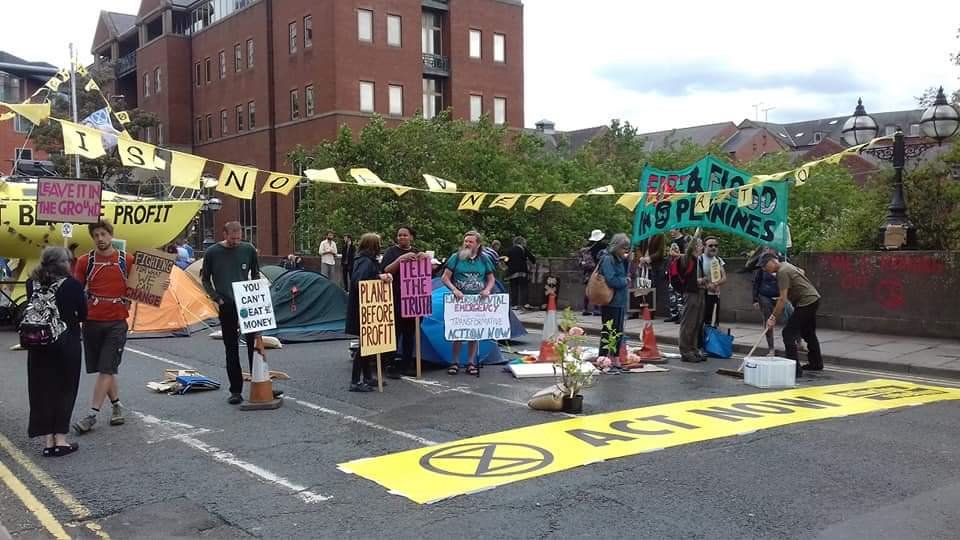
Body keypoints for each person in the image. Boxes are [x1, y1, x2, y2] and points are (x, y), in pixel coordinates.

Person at [72, 221, 134, 434]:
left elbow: (142, 288)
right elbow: (76, 290)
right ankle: (117, 405)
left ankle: (92, 414)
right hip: (91, 323)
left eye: (103, 234)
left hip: (117, 322)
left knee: (107, 367)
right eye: (96, 235)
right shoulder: (84, 261)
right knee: (105, 368)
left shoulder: (127, 260)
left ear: (111, 235)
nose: (100, 238)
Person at [25, 247, 86, 457]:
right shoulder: (72, 285)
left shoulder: (31, 283)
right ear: (64, 263)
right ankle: (61, 440)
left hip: (38, 344)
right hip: (65, 343)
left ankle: (48, 441)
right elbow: (83, 314)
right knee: (65, 390)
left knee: (42, 391)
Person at [202, 221, 269, 405]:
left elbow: (255, 273)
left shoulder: (248, 249)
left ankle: (260, 383)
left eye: (239, 238)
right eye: (232, 239)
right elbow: (205, 279)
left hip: (246, 302)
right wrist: (217, 298)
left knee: (254, 344)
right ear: (224, 235)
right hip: (227, 304)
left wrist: (257, 293)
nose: (236, 242)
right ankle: (235, 390)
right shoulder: (212, 253)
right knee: (231, 347)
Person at [442, 231, 495, 376]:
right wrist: (454, 289)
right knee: (458, 332)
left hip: (477, 301)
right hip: (460, 300)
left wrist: (487, 290)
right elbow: (445, 277)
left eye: (471, 242)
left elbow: (491, 278)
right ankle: (455, 362)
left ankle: (471, 362)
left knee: (473, 333)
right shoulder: (456, 258)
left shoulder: (484, 260)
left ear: (478, 244)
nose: (467, 244)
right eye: (466, 241)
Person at [344, 233, 393, 392]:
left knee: (369, 343)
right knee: (365, 345)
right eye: (378, 243)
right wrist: (380, 277)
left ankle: (366, 377)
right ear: (373, 245)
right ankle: (355, 381)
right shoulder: (365, 261)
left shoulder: (364, 260)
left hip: (366, 307)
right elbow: (360, 282)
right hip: (363, 308)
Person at [762, 253, 823, 376]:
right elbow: (802, 271)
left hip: (805, 302)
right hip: (813, 299)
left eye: (765, 265)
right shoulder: (787, 265)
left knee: (788, 333)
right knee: (808, 332)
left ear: (773, 261)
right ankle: (816, 363)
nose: (764, 269)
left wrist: (772, 318)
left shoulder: (782, 272)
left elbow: (782, 299)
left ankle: (794, 370)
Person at [380, 226, 425, 379]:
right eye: (399, 235)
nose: (402, 238)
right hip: (395, 297)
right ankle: (390, 364)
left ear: (411, 237)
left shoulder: (417, 251)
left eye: (405, 235)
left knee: (409, 334)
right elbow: (385, 270)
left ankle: (407, 364)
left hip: (413, 300)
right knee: (394, 332)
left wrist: (426, 260)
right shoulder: (391, 252)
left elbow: (426, 273)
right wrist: (400, 260)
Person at [597, 233, 631, 368]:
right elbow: (611, 279)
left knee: (618, 330)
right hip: (610, 299)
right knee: (609, 329)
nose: (625, 251)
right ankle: (604, 356)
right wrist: (624, 281)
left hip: (620, 300)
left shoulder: (619, 259)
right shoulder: (608, 259)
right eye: (624, 248)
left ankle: (614, 356)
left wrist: (627, 261)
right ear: (616, 247)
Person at [676, 237, 707, 363]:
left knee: (697, 323)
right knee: (688, 323)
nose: (702, 248)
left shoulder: (698, 260)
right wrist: (698, 281)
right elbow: (687, 277)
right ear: (695, 247)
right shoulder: (688, 259)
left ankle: (693, 349)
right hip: (691, 293)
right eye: (700, 246)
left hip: (699, 291)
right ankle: (685, 351)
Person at [699, 236, 727, 329]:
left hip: (716, 294)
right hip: (703, 295)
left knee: (714, 320)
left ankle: (712, 341)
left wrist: (716, 284)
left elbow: (724, 277)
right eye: (710, 245)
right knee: (704, 320)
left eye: (716, 245)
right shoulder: (699, 260)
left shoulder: (718, 260)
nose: (713, 248)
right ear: (704, 247)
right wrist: (707, 285)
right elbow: (697, 278)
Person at [665, 229, 691, 323]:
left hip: (681, 272)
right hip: (672, 271)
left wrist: (677, 254)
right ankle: (674, 314)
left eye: (672, 229)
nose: (670, 231)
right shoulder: (673, 241)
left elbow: (689, 255)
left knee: (680, 295)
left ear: (678, 229)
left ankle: (682, 315)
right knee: (672, 294)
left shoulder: (685, 240)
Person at [580, 229, 607, 316]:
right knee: (596, 290)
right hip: (597, 270)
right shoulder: (603, 246)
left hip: (587, 272)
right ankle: (596, 309)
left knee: (588, 290)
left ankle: (585, 308)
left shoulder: (586, 248)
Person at [505, 236, 536, 310]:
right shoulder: (523, 249)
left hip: (512, 272)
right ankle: (525, 304)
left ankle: (514, 305)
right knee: (524, 287)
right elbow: (532, 258)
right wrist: (533, 261)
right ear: (522, 242)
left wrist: (509, 265)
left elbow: (506, 260)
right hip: (522, 271)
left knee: (514, 288)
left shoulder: (509, 250)